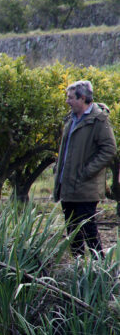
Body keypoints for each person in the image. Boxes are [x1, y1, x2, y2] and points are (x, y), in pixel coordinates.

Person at [53, 80, 117, 256]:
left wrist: (88, 171)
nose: (68, 101)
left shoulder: (98, 120)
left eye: (71, 98)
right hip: (68, 185)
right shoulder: (70, 119)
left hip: (86, 186)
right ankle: (78, 268)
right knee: (72, 231)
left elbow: (109, 149)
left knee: (88, 230)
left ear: (82, 98)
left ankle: (100, 270)